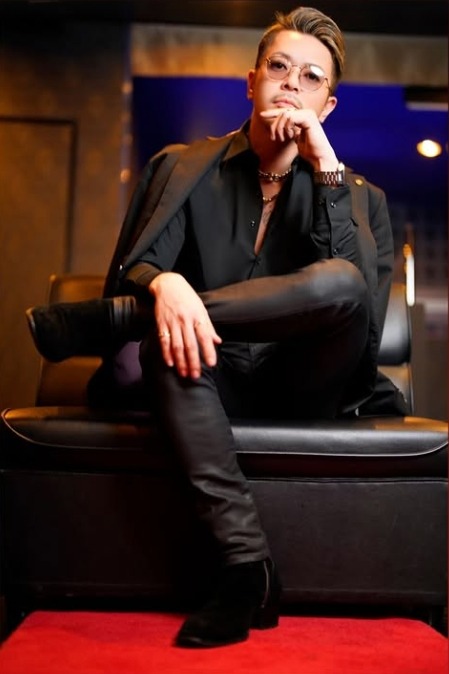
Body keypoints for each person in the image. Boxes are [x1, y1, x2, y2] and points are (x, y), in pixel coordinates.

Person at [26, 6, 407, 649]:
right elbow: (140, 262)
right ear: (252, 81)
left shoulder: (359, 195)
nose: (291, 84)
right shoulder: (183, 167)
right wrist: (163, 286)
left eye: (311, 77)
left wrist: (324, 164)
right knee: (167, 337)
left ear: (329, 105)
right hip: (208, 375)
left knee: (342, 281)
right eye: (279, 67)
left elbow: (360, 307)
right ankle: (246, 568)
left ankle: (120, 319)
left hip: (305, 383)